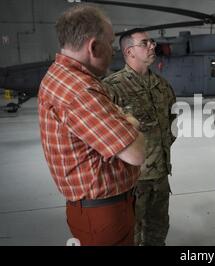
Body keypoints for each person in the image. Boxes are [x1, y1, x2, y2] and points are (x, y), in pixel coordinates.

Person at [38, 5, 145, 245]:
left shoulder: (60, 75)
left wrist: (121, 121)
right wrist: (130, 121)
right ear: (94, 47)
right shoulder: (79, 90)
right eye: (110, 42)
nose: (114, 51)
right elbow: (136, 153)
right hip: (104, 215)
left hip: (95, 208)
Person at [103, 28, 177, 246]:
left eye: (151, 42)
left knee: (158, 231)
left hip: (160, 176)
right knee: (131, 235)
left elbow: (171, 125)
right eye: (145, 43)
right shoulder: (111, 88)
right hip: (131, 182)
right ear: (129, 51)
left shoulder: (162, 86)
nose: (152, 46)